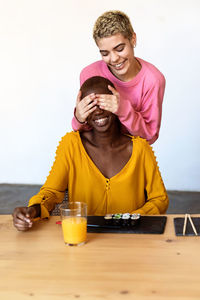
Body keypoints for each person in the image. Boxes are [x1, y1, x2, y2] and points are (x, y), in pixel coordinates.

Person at [13, 76, 168, 231]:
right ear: (82, 110)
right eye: (90, 105)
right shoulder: (71, 145)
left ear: (116, 103)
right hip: (84, 238)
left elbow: (159, 199)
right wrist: (33, 210)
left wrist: (130, 219)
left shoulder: (140, 148)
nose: (98, 110)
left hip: (131, 238)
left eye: (103, 102)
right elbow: (52, 192)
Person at [72, 10, 166, 144]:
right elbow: (86, 129)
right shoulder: (89, 73)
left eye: (120, 48)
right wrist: (78, 118)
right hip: (98, 154)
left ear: (133, 39)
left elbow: (149, 137)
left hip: (131, 154)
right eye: (105, 53)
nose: (114, 59)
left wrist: (122, 109)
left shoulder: (153, 80)